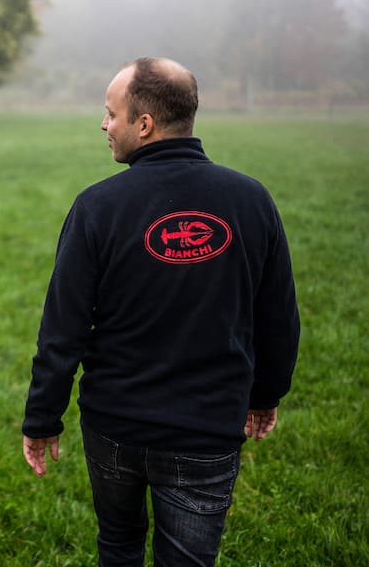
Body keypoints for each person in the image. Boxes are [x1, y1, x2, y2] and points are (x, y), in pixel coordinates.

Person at [21, 58, 300, 566]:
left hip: (114, 429)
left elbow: (62, 330)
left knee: (119, 546)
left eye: (111, 114)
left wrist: (42, 418)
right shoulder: (251, 200)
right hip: (207, 430)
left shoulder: (97, 206)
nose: (103, 125)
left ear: (144, 124)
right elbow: (278, 317)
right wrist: (266, 394)